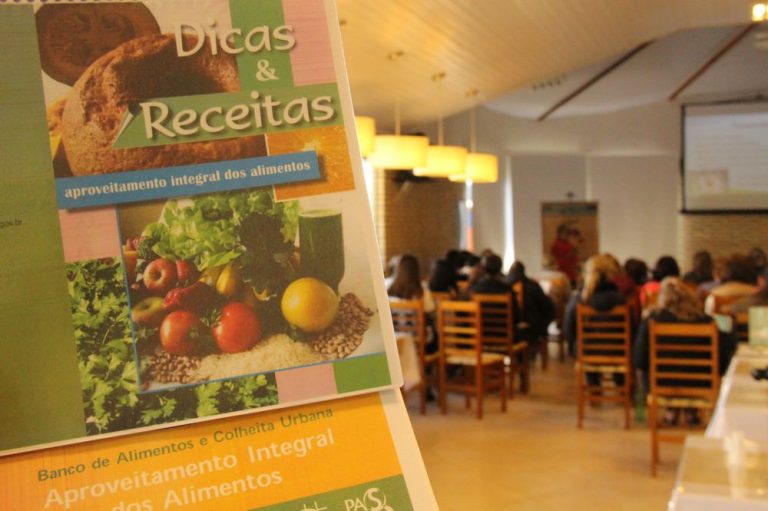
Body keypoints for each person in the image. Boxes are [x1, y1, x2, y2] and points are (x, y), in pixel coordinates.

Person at [633, 277, 736, 425]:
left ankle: (671, 410)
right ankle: (690, 411)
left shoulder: (652, 320)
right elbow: (723, 357)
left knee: (650, 366)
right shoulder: (706, 321)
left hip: (661, 383)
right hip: (701, 383)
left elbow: (639, 359)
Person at [564, 253, 626, 359]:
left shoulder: (579, 299)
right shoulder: (621, 300)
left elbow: (568, 331)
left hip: (585, 353)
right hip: (617, 353)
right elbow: (631, 331)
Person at [506, 261, 555, 349]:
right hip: (529, 330)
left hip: (505, 331)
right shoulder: (532, 286)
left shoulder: (503, 286)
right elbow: (548, 308)